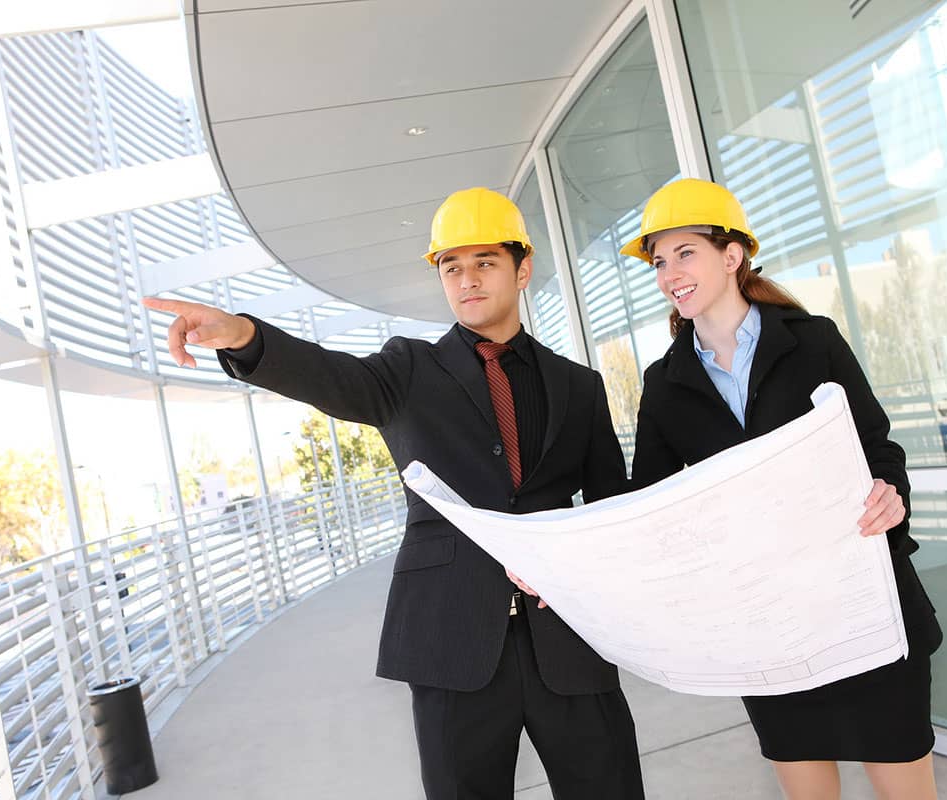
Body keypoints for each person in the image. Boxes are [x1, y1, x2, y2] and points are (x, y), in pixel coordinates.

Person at [144, 187, 645, 800]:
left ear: (522, 269)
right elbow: (330, 375)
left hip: (567, 638)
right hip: (450, 640)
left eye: (485, 262)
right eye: (451, 267)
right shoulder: (407, 370)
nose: (467, 280)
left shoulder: (580, 386)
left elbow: (613, 507)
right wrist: (244, 337)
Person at [623, 178, 943, 800]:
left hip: (863, 604)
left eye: (685, 253)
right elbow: (651, 502)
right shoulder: (664, 382)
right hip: (768, 625)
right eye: (659, 262)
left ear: (732, 254)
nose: (669, 273)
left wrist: (889, 493)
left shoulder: (813, 340)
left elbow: (876, 445)